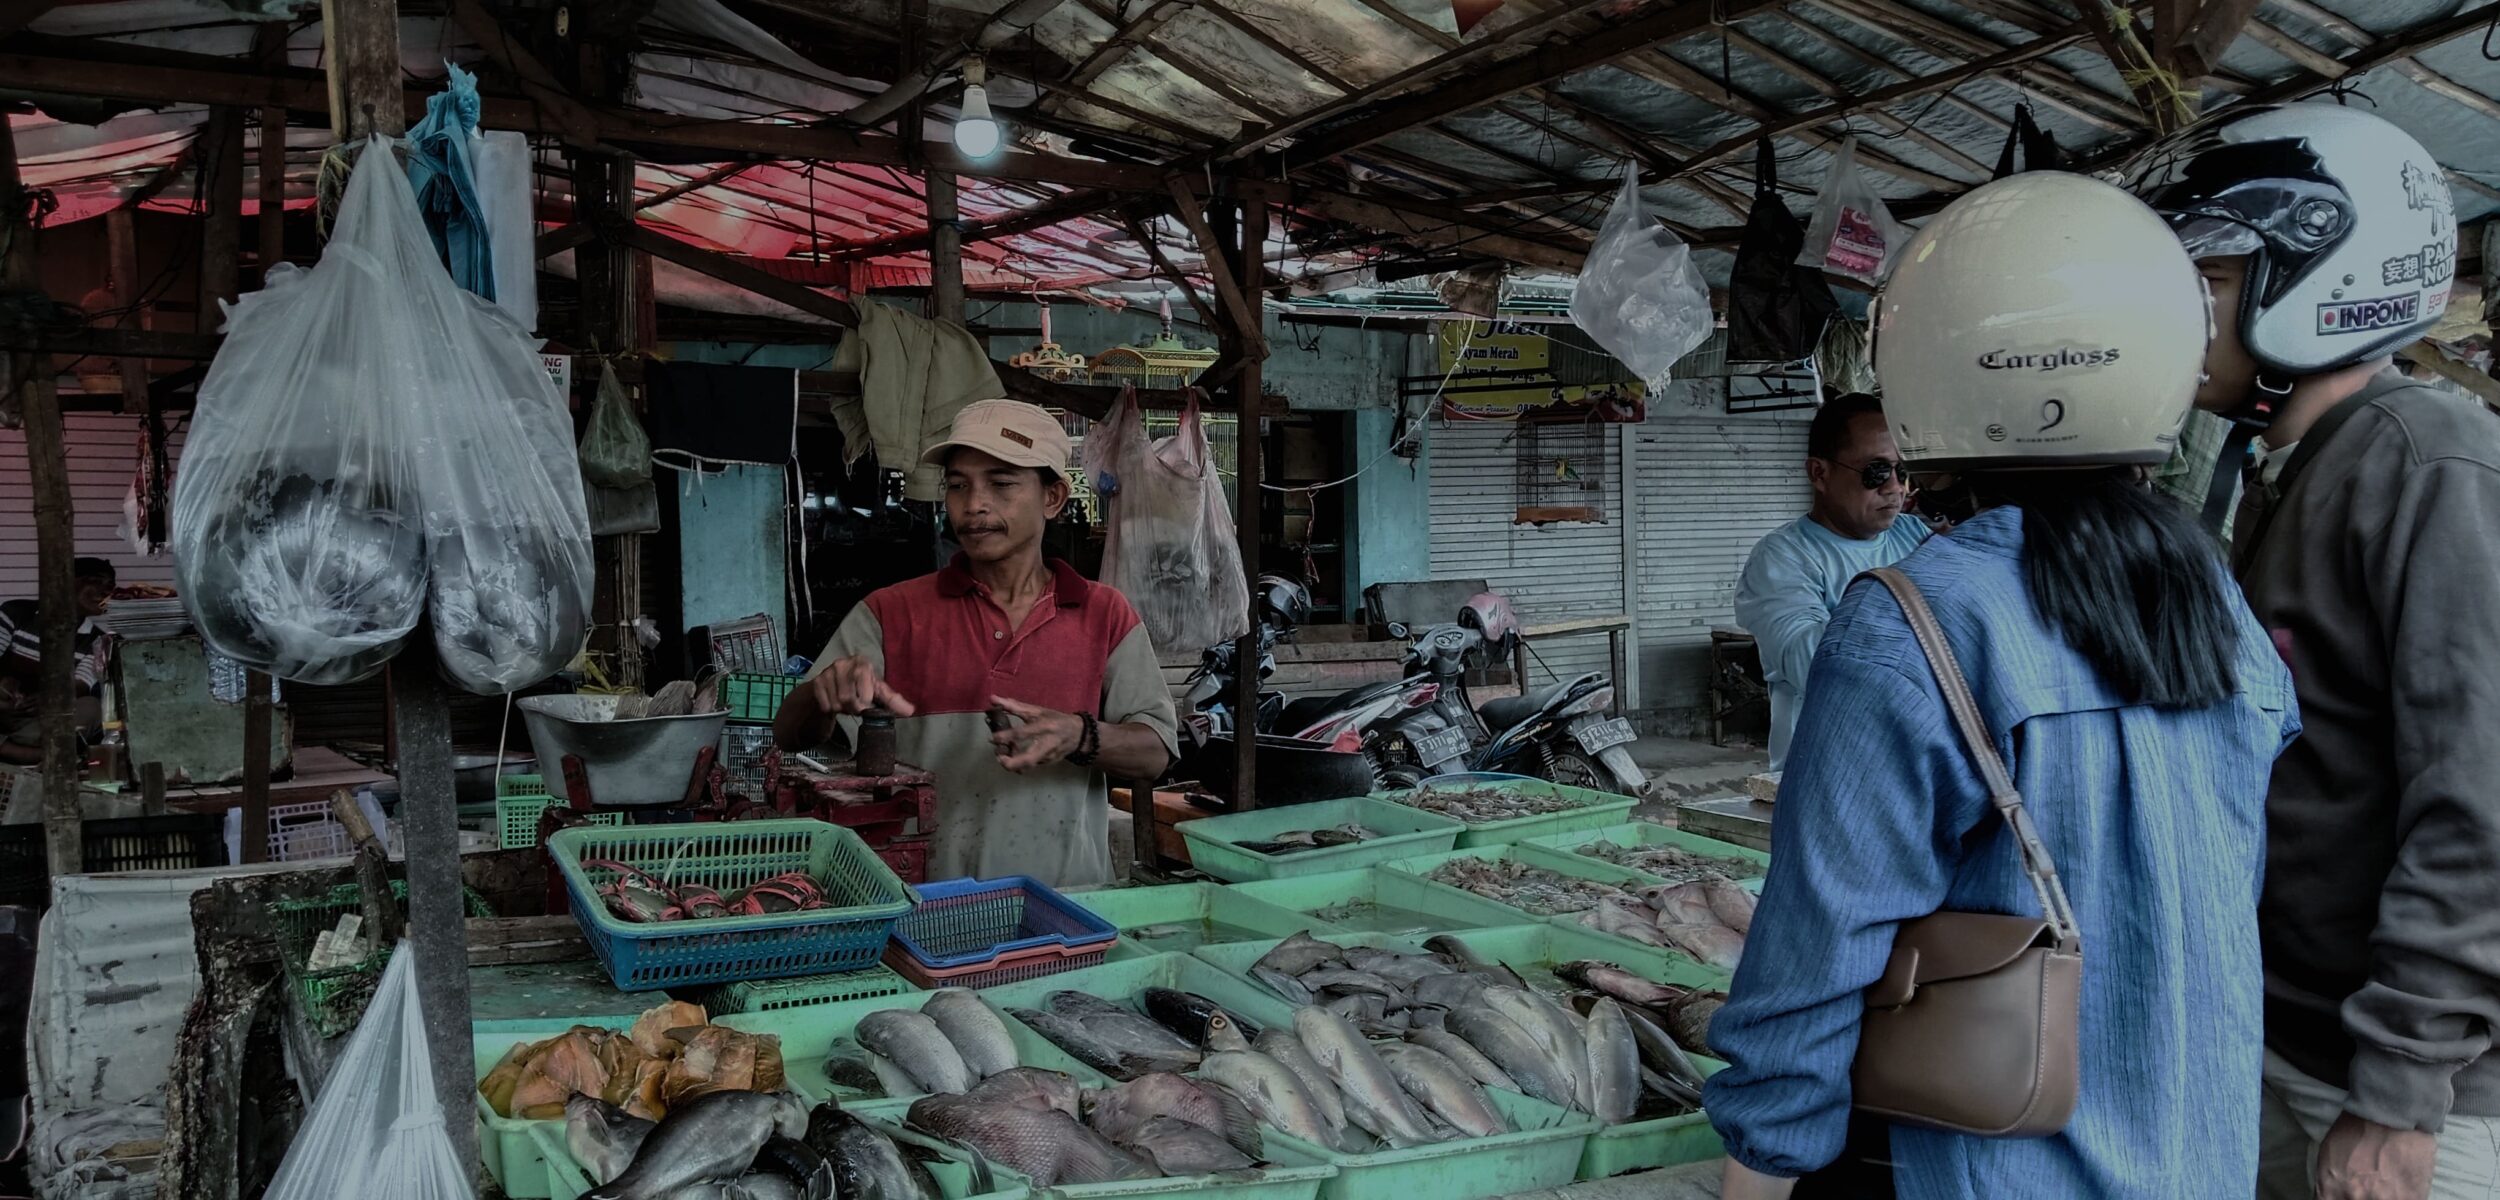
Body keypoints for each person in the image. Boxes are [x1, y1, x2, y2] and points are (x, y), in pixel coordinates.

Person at [1705, 173, 2300, 1199]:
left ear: (1929, 365)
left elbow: (1821, 938)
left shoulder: (1913, 616)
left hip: (1990, 1162)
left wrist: (1764, 1154)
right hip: (2200, 1157)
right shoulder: (2212, 595)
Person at [2129, 103, 2500, 1200]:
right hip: (2290, 1034)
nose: (2185, 308)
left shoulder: (2427, 466)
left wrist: (2397, 1094)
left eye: (2216, 277)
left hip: (2411, 1090)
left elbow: (2481, 805)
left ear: (2316, 275)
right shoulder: (2278, 470)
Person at [773, 399, 1177, 887]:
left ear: (1053, 498)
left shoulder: (1104, 614)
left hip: (1067, 906)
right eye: (958, 485)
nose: (974, 505)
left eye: (1001, 484)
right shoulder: (890, 612)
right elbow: (790, 734)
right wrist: (822, 693)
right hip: (922, 903)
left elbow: (1154, 751)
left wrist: (1079, 735)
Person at [1733, 393, 1930, 771]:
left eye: (1902, 471)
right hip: (1829, 773)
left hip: (1911, 765)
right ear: (1819, 473)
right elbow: (1813, 665)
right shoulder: (1783, 557)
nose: (1895, 488)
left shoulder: (1914, 535)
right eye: (1876, 472)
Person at [0, 557, 116, 765]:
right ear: (65, 582)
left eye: (110, 585)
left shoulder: (98, 641)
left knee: (90, 707)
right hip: (4, 713)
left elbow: (79, 686)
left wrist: (49, 699)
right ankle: (41, 755)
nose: (105, 591)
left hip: (40, 722)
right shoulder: (15, 613)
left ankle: (25, 752)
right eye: (95, 581)